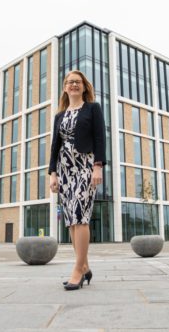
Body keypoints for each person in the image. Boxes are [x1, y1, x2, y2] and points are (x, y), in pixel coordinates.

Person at [48, 70, 106, 291]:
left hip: (85, 168)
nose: (73, 85)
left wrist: (98, 166)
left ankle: (77, 269)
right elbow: (55, 147)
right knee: (72, 220)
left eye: (77, 82)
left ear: (84, 86)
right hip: (65, 170)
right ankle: (85, 267)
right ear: (65, 87)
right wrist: (53, 173)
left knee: (81, 216)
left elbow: (100, 138)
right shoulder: (59, 116)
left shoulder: (93, 108)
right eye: (69, 82)